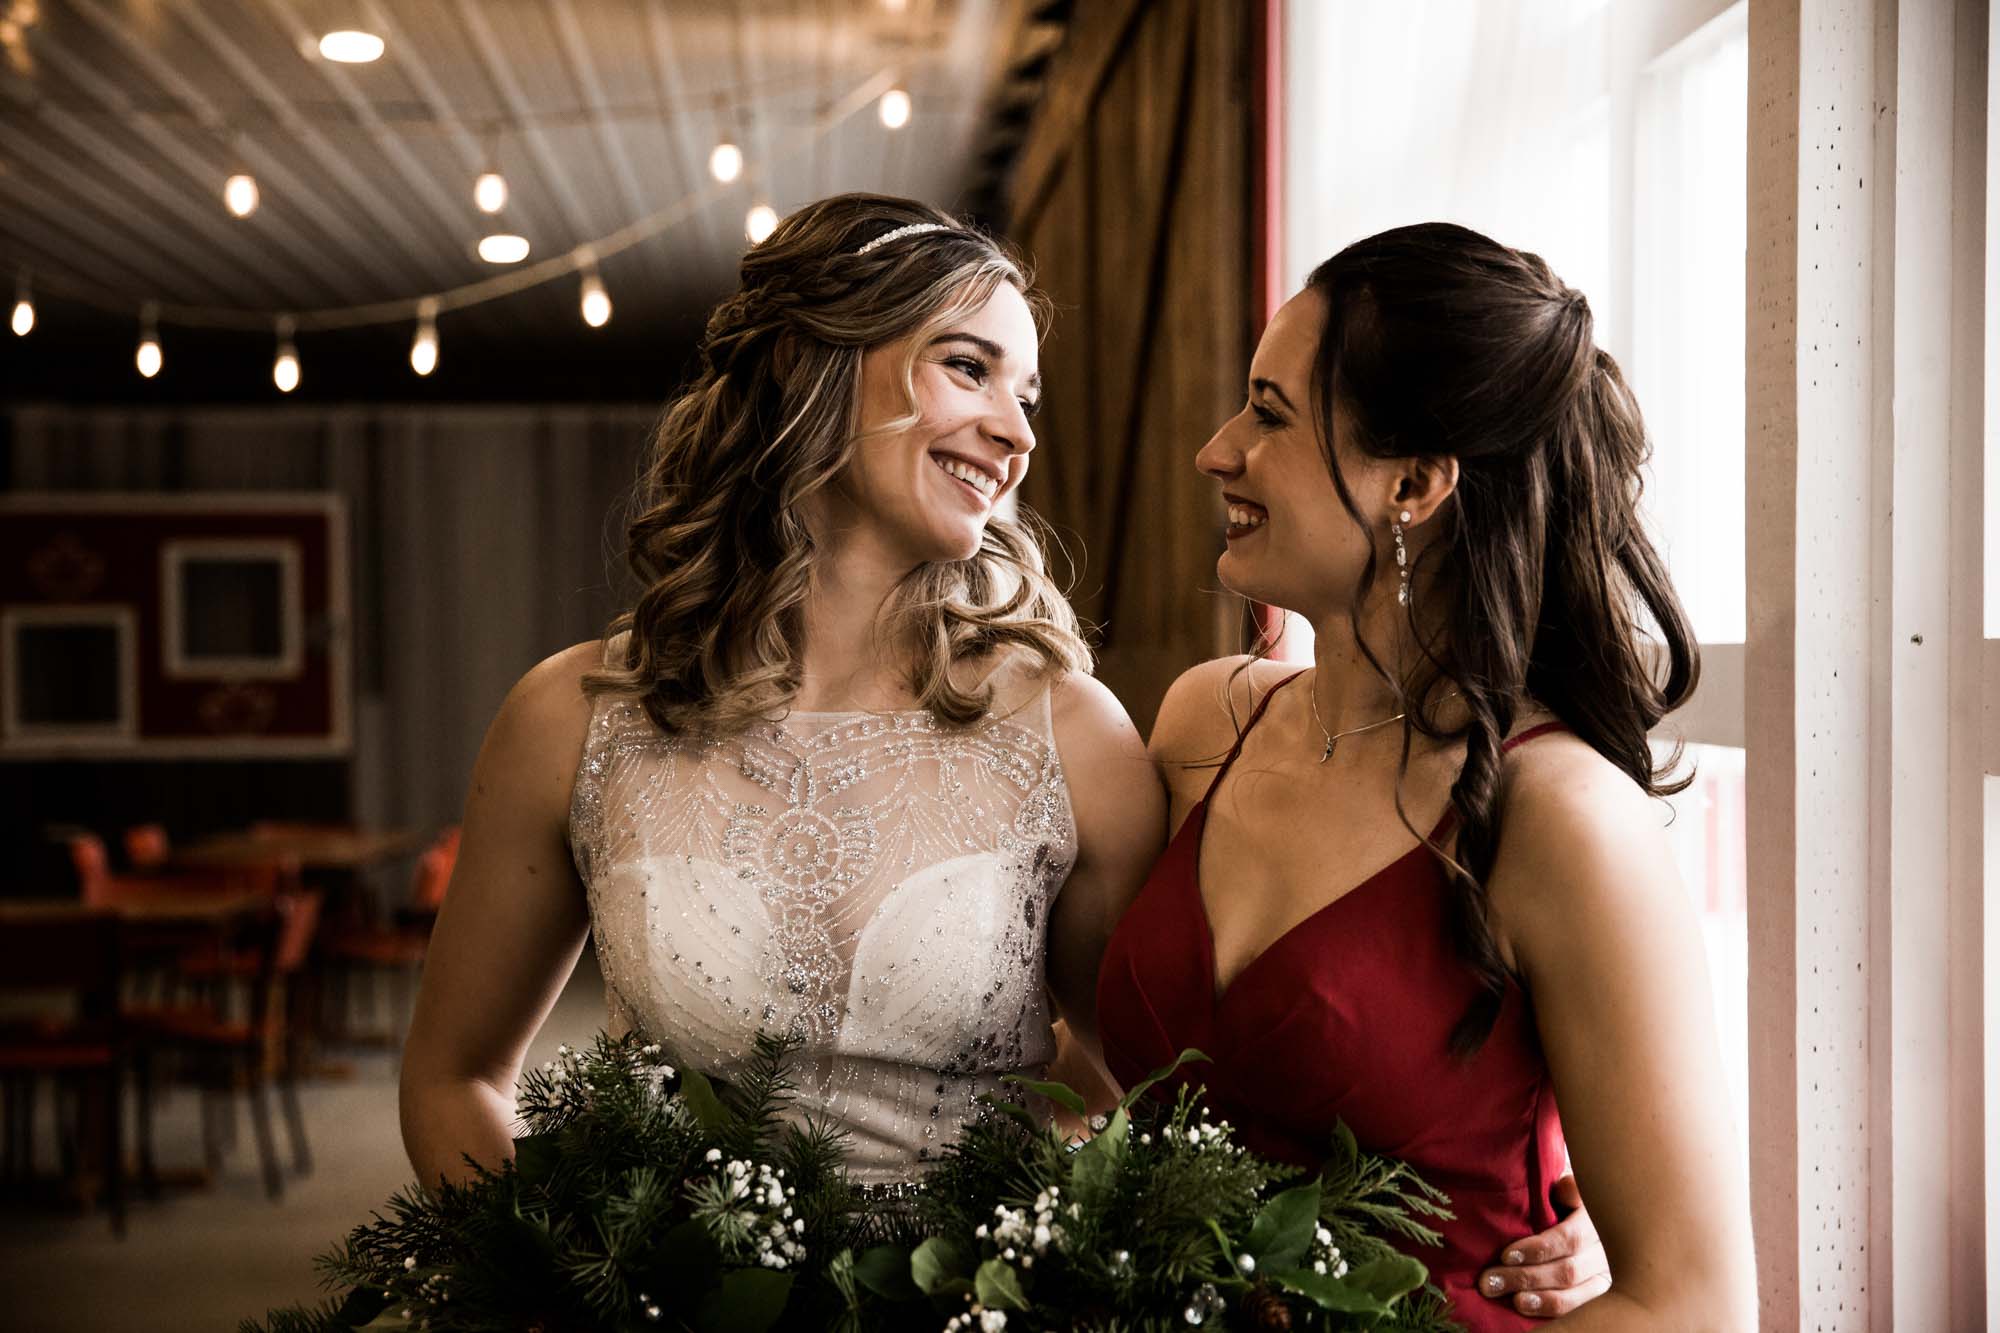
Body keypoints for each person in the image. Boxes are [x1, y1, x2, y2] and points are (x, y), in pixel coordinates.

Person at [398, 193, 1608, 1311]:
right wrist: (567, 1292)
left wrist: (1574, 1194)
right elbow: (455, 1076)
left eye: (1026, 392)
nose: (1013, 431)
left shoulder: (1069, 733)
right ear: (803, 367)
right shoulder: (573, 717)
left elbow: (1187, 1088)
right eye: (967, 368)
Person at [1095, 224, 1756, 1328]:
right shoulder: (1203, 720)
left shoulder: (1558, 818)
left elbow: (1692, 1302)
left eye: (1267, 414)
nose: (1215, 450)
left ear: (1411, 483)